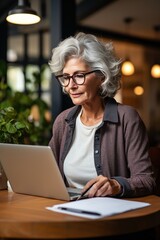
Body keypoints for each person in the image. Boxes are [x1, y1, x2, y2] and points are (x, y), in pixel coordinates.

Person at [48, 32, 156, 198]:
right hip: (66, 210)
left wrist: (117, 185)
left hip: (108, 216)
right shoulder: (63, 121)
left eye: (79, 76)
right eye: (66, 77)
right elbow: (48, 173)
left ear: (101, 76)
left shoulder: (127, 118)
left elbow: (146, 180)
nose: (71, 86)